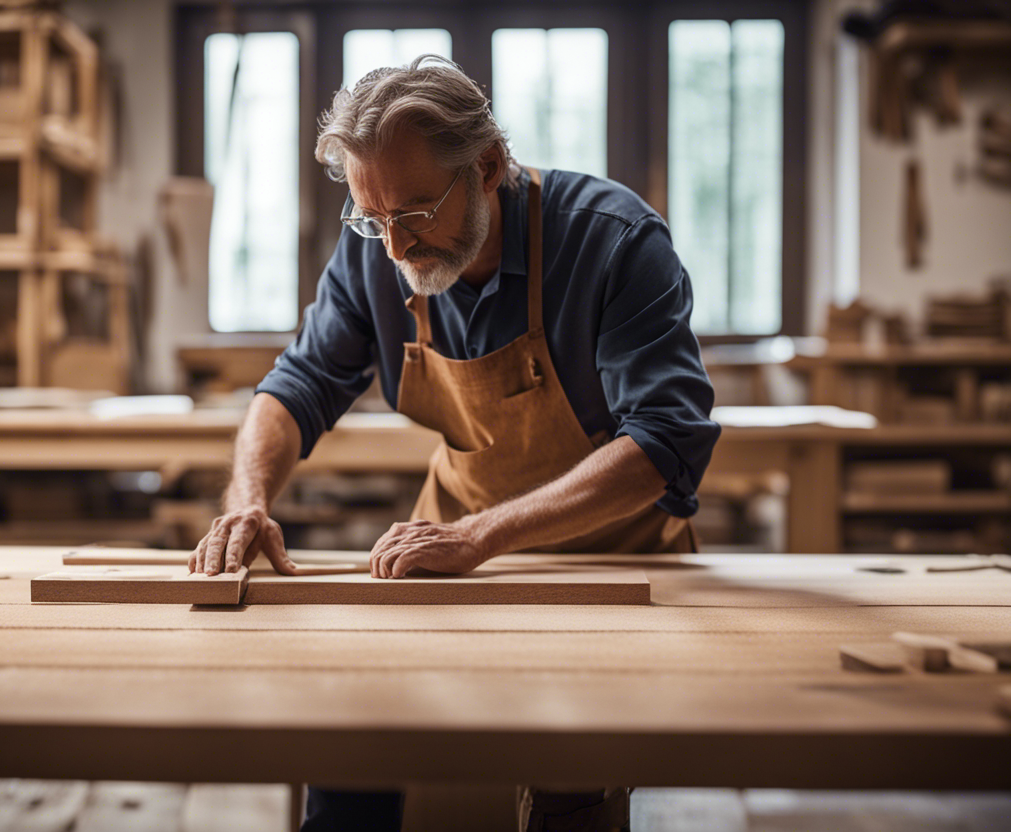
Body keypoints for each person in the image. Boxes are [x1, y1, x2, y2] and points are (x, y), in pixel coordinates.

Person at [188, 55, 720, 832]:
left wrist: (483, 536)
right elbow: (297, 385)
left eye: (414, 215)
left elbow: (668, 442)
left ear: (489, 166)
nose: (396, 249)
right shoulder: (377, 251)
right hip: (449, 546)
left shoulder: (613, 241)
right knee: (351, 743)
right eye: (373, 220)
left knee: (568, 783)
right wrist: (246, 501)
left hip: (613, 559)